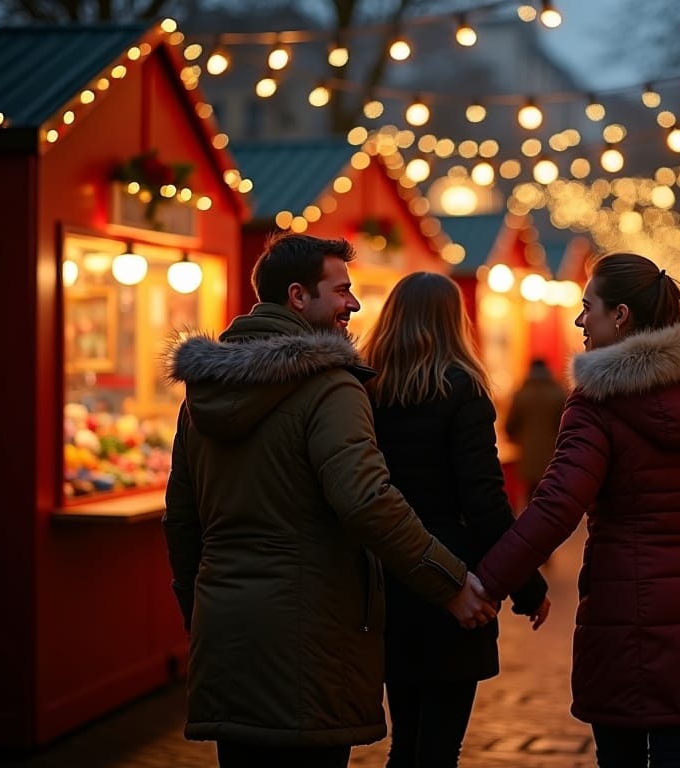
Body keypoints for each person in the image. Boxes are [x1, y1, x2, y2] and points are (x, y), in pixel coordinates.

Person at [162, 233, 497, 768]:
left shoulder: (202, 392)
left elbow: (182, 519)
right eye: (341, 290)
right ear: (298, 296)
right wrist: (450, 582)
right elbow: (368, 501)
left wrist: (198, 612)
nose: (354, 304)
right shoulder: (329, 385)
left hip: (226, 632)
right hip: (309, 636)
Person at [474, 253, 680, 768]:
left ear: (621, 315)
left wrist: (487, 583)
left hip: (623, 614)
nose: (579, 320)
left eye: (588, 307)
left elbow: (557, 505)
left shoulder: (598, 403)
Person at [362, 272, 550, 768]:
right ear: (454, 322)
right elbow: (484, 501)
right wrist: (527, 587)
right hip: (453, 577)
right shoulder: (462, 389)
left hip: (388, 574)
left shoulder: (365, 389)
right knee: (440, 747)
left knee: (405, 740)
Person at [505, 357, 568, 507]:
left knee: (531, 500)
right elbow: (567, 428)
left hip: (528, 458)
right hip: (554, 459)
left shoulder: (521, 395)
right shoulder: (559, 394)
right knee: (551, 500)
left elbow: (509, 427)